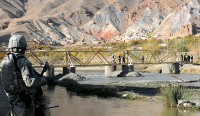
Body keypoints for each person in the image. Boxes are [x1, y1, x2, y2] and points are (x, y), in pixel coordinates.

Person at [1, 34, 47, 116]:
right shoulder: (23, 61)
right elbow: (30, 82)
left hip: (12, 99)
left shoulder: (4, 61)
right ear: (23, 47)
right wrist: (43, 80)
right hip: (24, 101)